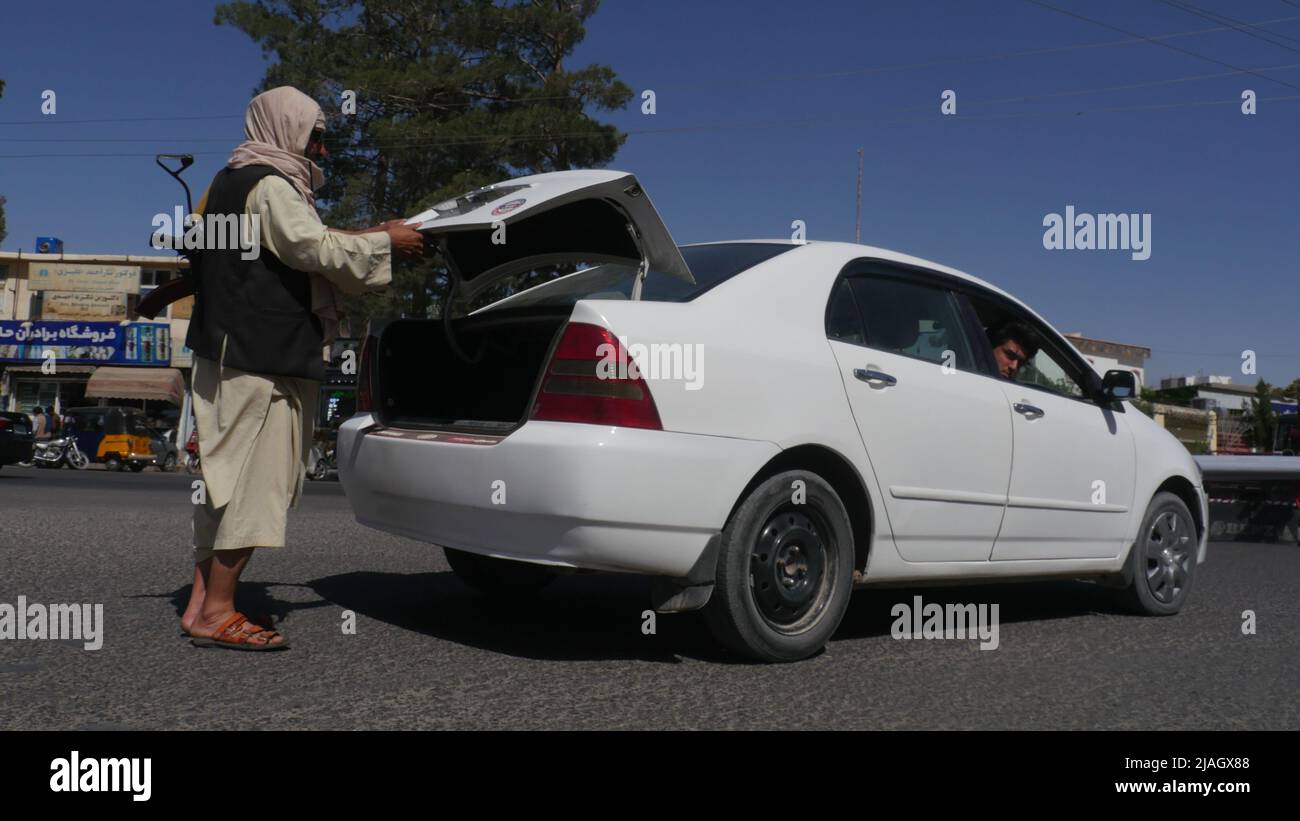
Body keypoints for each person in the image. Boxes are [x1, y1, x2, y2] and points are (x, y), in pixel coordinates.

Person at [179, 86, 426, 651]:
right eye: (316, 136)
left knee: (223, 481)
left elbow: (285, 246)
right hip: (263, 357)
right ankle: (218, 611)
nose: (322, 150)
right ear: (286, 128)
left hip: (228, 352)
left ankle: (198, 607)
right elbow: (311, 249)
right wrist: (386, 242)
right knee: (254, 483)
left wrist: (371, 236)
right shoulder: (270, 184)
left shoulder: (228, 181)